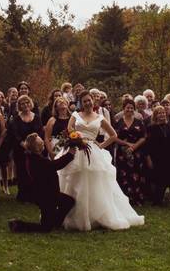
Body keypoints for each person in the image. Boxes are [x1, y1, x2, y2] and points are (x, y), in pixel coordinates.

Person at [58, 91, 144, 231]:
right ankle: (69, 213)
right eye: (84, 101)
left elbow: (113, 135)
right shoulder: (75, 115)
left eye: (89, 100)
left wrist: (101, 145)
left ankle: (93, 215)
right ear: (81, 103)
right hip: (76, 149)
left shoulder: (100, 118)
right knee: (74, 182)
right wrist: (75, 139)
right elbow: (69, 129)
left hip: (92, 151)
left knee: (93, 184)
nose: (87, 103)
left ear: (93, 101)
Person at [8, 134, 77, 233]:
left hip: (50, 194)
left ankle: (56, 222)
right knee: (45, 228)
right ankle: (18, 225)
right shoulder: (37, 161)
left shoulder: (33, 157)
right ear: (36, 147)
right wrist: (70, 154)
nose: (43, 142)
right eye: (41, 141)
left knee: (68, 201)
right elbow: (55, 165)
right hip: (46, 197)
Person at [7, 94, 43, 202]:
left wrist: (33, 146)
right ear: (19, 106)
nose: (25, 105)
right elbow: (15, 134)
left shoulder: (36, 117)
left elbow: (40, 131)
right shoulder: (17, 119)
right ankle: (23, 195)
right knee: (22, 171)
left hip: (35, 149)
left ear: (30, 103)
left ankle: (34, 195)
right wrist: (24, 145)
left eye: (27, 102)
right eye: (22, 104)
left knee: (34, 172)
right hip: (20, 149)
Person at [113, 97, 148, 206]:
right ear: (123, 109)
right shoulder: (118, 122)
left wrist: (134, 147)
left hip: (136, 153)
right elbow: (114, 137)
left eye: (132, 108)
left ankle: (137, 199)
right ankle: (125, 201)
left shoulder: (139, 122)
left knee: (137, 175)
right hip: (122, 153)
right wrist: (127, 144)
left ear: (134, 109)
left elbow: (144, 137)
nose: (129, 110)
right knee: (123, 176)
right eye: (127, 108)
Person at [144, 105, 170, 205]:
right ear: (155, 115)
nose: (162, 115)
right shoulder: (150, 128)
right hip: (156, 158)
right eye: (159, 113)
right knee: (157, 180)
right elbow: (147, 145)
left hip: (169, 158)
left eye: (163, 112)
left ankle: (166, 199)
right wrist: (148, 159)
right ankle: (156, 200)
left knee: (168, 178)